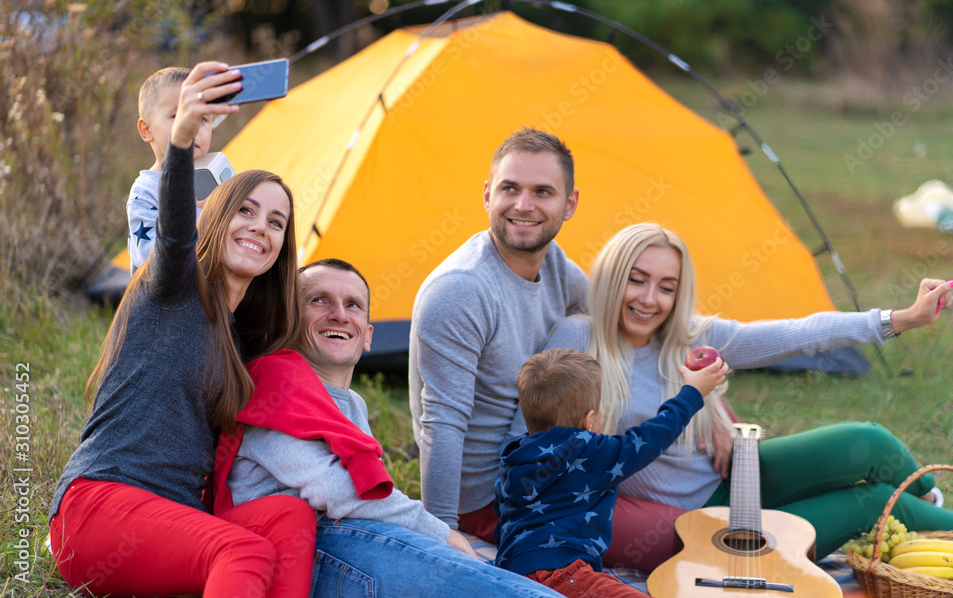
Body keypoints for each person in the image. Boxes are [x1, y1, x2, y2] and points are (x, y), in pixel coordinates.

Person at [544, 222, 953, 571]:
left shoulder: (687, 334)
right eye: (636, 280)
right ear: (611, 278)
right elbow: (546, 443)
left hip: (737, 472)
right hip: (705, 517)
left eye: (667, 287)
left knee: (870, 441)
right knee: (874, 503)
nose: (650, 300)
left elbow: (796, 334)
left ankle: (930, 505)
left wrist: (900, 319)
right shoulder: (577, 341)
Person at [48, 62, 317, 598]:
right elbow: (172, 231)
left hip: (172, 524)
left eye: (276, 222)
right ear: (213, 216)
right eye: (244, 210)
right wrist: (183, 137)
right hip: (100, 506)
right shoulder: (170, 286)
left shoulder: (240, 336)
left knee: (288, 518)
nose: (259, 228)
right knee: (241, 550)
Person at [218, 258, 563, 598]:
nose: (339, 314)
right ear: (288, 321)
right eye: (319, 300)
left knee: (494, 581)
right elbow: (340, 493)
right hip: (307, 554)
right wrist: (443, 534)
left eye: (353, 305)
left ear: (368, 336)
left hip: (345, 542)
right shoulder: (273, 386)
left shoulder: (351, 403)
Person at [409, 127, 589, 542]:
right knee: (654, 534)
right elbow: (442, 421)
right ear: (488, 195)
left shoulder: (556, 264)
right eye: (510, 189)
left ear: (570, 204)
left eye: (543, 192)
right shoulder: (462, 288)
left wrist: (708, 399)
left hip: (535, 472)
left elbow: (631, 317)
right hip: (484, 503)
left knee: (585, 327)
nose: (523, 206)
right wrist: (444, 533)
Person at [494, 348, 726, 597]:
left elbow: (504, 521)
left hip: (510, 574)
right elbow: (652, 437)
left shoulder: (513, 457)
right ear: (589, 420)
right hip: (562, 573)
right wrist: (692, 393)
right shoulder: (589, 451)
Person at [128, 66, 214, 273]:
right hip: (166, 302)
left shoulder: (215, 179)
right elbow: (155, 259)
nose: (192, 127)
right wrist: (202, 217)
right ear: (147, 130)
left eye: (203, 119)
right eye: (179, 116)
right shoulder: (146, 191)